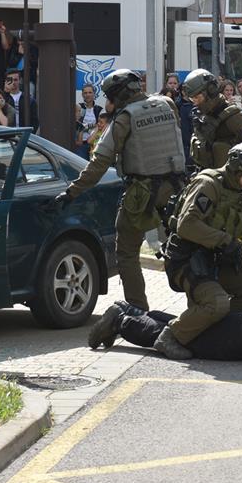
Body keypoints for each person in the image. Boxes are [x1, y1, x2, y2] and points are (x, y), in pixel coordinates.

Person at [57, 70, 186, 317]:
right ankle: (199, 301)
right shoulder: (167, 104)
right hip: (178, 189)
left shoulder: (124, 118)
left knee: (126, 251)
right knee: (186, 245)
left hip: (142, 193)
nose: (109, 103)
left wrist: (71, 192)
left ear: (121, 94)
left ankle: (138, 311)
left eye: (111, 97)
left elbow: (98, 164)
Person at [151, 142, 242, 359]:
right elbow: (187, 225)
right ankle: (171, 335)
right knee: (217, 303)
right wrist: (224, 241)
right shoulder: (208, 184)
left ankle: (214, 331)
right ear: (234, 168)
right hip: (187, 260)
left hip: (217, 259)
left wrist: (237, 250)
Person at [183, 69, 242, 170]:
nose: (194, 102)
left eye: (197, 97)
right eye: (192, 99)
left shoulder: (234, 117)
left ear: (211, 91)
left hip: (232, 182)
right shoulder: (203, 118)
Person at [75, 84, 103, 159]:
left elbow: (101, 125)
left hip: (95, 144)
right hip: (81, 144)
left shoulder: (99, 109)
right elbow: (76, 124)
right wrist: (91, 126)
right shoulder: (78, 107)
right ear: (82, 95)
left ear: (94, 94)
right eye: (85, 93)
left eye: (90, 92)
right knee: (80, 165)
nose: (88, 95)